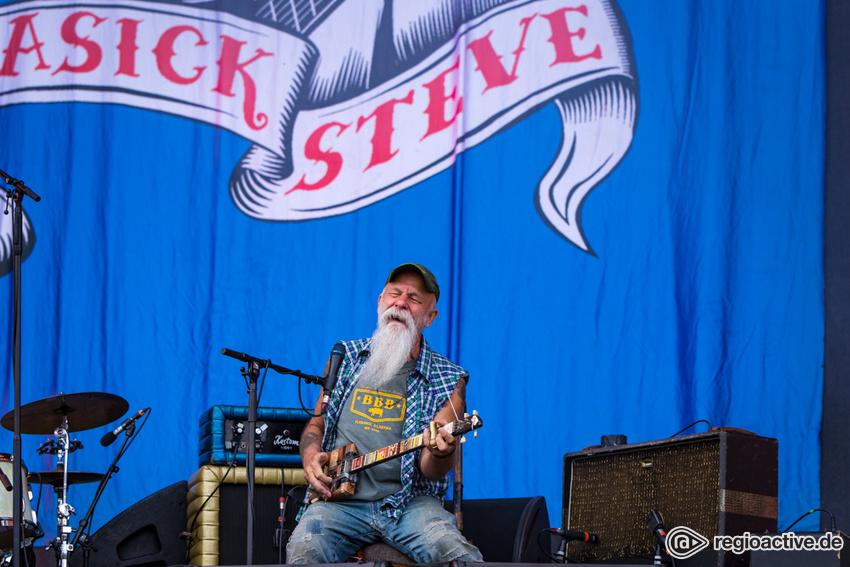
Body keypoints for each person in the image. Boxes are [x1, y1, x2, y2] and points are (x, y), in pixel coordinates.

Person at [286, 263, 483, 564]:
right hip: (339, 503)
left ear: (430, 317)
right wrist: (311, 454)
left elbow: (432, 467)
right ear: (381, 302)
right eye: (394, 293)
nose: (401, 302)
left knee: (457, 554)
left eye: (414, 298)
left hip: (410, 504)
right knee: (304, 550)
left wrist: (443, 450)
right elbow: (319, 421)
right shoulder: (346, 357)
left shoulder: (449, 378)